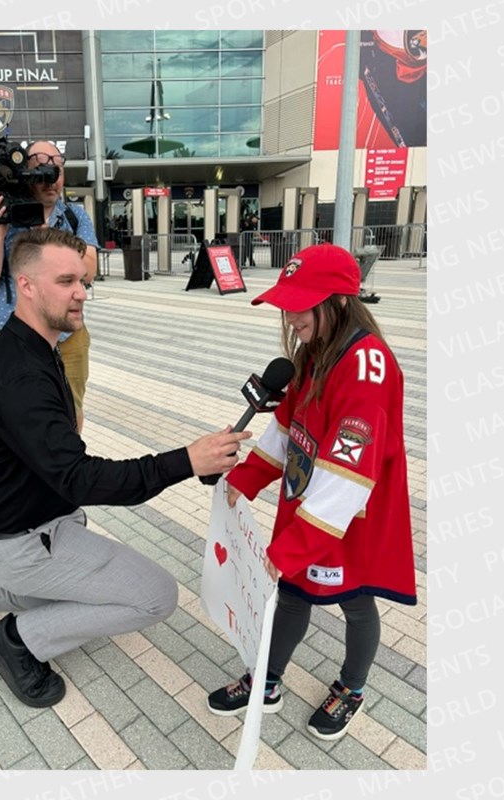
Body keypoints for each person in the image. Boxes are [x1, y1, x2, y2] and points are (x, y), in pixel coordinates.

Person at [0, 226, 251, 708]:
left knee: (68, 590)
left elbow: (62, 463)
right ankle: (18, 641)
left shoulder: (36, 344)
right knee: (156, 596)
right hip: (21, 543)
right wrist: (186, 460)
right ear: (27, 285)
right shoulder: (21, 376)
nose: (81, 292)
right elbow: (81, 477)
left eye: (82, 280)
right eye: (65, 281)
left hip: (30, 524)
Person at [204, 243, 417, 742]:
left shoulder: (368, 368)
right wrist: (248, 478)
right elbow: (286, 424)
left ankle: (353, 688)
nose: (290, 313)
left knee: (356, 601)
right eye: (287, 301)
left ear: (340, 301)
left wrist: (295, 544)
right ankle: (268, 678)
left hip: (351, 512)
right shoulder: (314, 351)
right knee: (293, 593)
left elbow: (350, 469)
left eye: (302, 303)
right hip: (312, 504)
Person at [0, 141, 98, 433]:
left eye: (57, 167)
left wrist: (47, 236)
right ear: (23, 174)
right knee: (19, 413)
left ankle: (69, 466)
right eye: (40, 166)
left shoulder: (74, 217)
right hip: (16, 339)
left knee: (70, 408)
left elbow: (89, 272)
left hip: (68, 337)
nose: (50, 176)